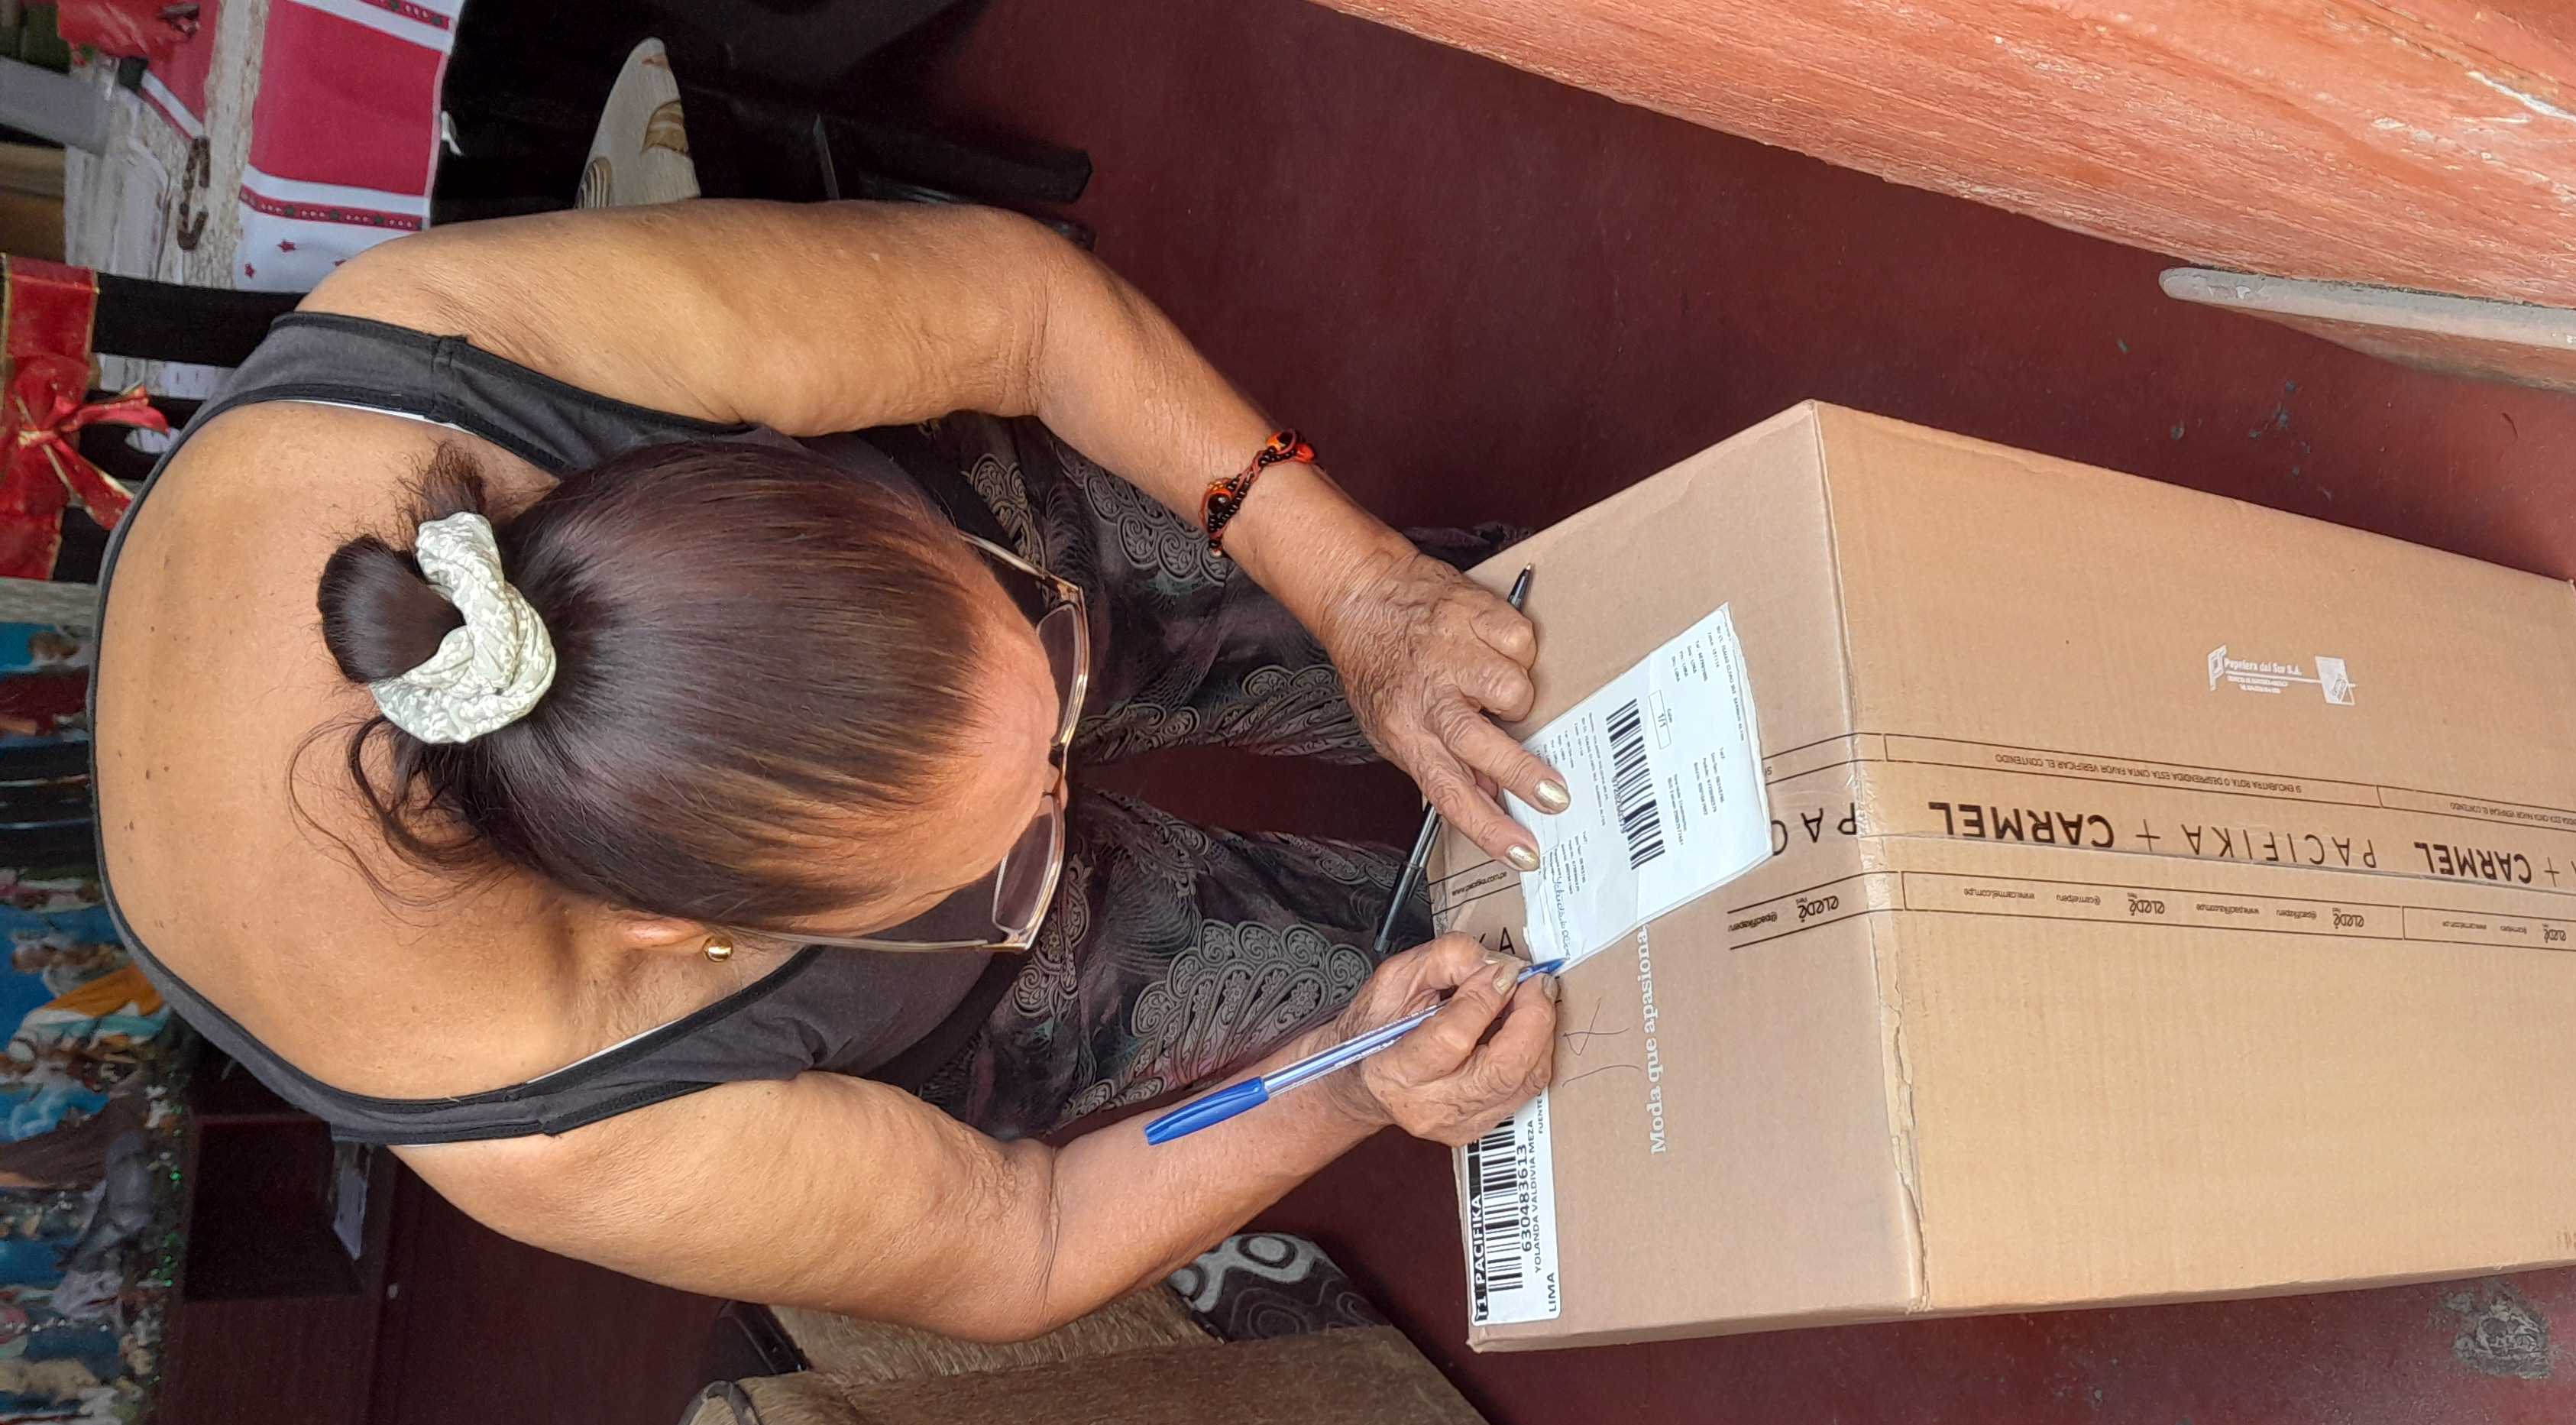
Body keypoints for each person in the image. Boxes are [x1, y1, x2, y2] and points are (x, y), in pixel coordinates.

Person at [92, 202, 1569, 1341]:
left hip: (826, 605)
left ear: (768, 477)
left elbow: (1026, 313)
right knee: (1491, 1001)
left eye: (1020, 653)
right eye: (999, 840)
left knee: (1472, 659)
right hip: (883, 978)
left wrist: (1360, 591)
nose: (1057, 783)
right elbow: (1026, 1241)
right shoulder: (539, 1109)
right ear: (684, 932)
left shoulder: (458, 345)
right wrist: (1339, 1086)